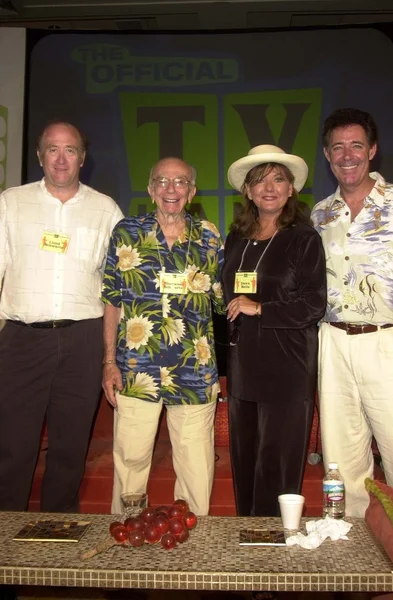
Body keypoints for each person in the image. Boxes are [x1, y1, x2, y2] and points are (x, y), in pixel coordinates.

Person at [0, 120, 123, 512]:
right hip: (20, 340)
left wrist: (109, 355)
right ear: (39, 157)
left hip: (82, 342)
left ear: (83, 159)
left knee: (70, 449)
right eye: (52, 149)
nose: (61, 158)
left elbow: (116, 286)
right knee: (13, 448)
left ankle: (57, 537)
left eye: (70, 149)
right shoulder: (10, 202)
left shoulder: (105, 209)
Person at [102, 156, 225, 515]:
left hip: (194, 368)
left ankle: (194, 539)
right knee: (131, 457)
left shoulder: (209, 236)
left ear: (193, 191)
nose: (172, 189)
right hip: (137, 368)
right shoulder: (127, 232)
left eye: (181, 182)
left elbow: (221, 298)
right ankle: (126, 535)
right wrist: (109, 361)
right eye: (163, 181)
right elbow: (111, 299)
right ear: (151, 189)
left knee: (195, 463)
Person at [222, 145, 327, 519]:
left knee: (277, 464)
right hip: (244, 366)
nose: (269, 187)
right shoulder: (236, 240)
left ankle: (275, 547)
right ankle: (247, 538)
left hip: (288, 366)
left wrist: (261, 307)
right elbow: (227, 299)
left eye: (278, 178)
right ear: (247, 191)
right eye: (260, 180)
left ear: (291, 189)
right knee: (245, 459)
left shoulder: (304, 238)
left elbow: (314, 304)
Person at [311, 108, 393, 517]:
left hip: (386, 341)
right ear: (327, 155)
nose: (347, 155)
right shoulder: (318, 214)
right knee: (340, 460)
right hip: (334, 342)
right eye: (337, 147)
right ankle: (353, 551)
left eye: (356, 146)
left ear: (373, 151)